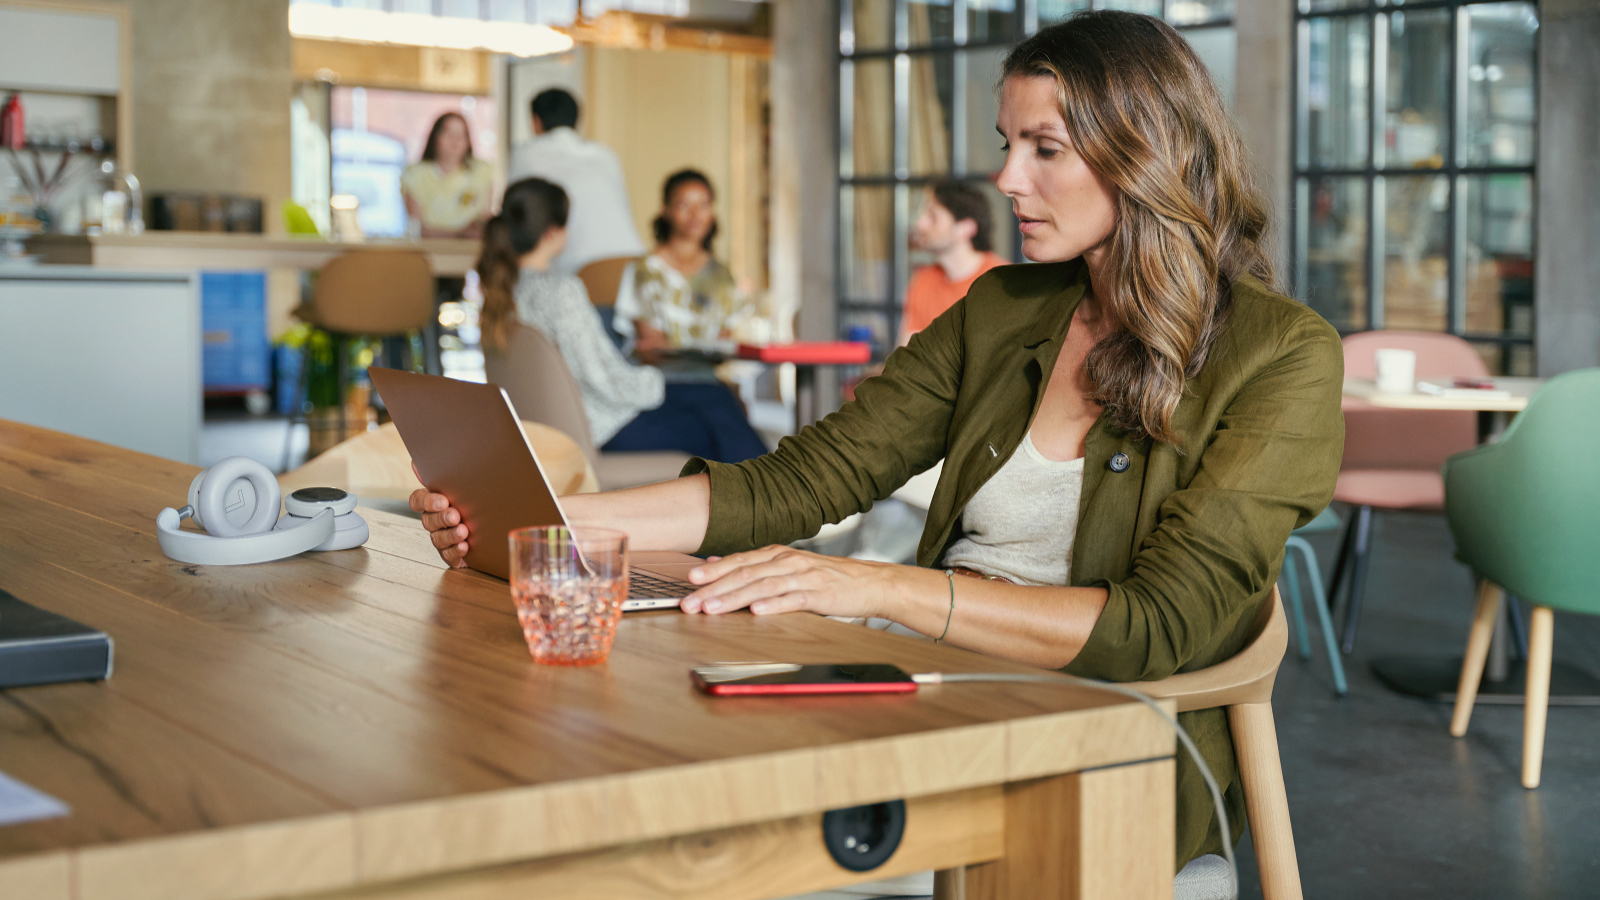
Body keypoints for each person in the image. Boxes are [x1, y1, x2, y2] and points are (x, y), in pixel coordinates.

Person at [414, 11, 1344, 877]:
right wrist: (549, 518)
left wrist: (871, 584)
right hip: (925, 685)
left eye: (1044, 149)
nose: (1009, 180)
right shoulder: (1003, 309)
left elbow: (1156, 629)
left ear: (1146, 154)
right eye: (1008, 146)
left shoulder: (1282, 355)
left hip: (1099, 745)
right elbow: (811, 478)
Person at [477, 177, 767, 464]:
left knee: (711, 403)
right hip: (602, 428)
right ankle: (772, 497)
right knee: (715, 418)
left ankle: (765, 495)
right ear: (554, 231)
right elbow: (599, 376)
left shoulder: (503, 293)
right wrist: (654, 385)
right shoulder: (562, 291)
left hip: (553, 430)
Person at [613, 169, 754, 380]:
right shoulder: (645, 271)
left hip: (707, 383)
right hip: (659, 383)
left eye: (704, 205)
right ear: (666, 210)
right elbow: (651, 349)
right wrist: (700, 351)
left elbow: (724, 343)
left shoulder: (722, 276)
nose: (695, 214)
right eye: (684, 205)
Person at [506, 89, 644, 275]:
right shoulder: (606, 155)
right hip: (634, 264)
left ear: (535, 122)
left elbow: (515, 216)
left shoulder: (526, 154)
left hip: (581, 272)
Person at [897, 180, 1008, 346]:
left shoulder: (1003, 283)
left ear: (965, 228)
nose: (920, 223)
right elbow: (905, 356)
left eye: (933, 217)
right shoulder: (923, 280)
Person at [401, 112, 494, 239]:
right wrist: (458, 234)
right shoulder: (415, 175)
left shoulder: (482, 171)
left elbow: (485, 219)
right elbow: (417, 228)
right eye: (448, 134)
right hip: (427, 252)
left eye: (461, 135)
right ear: (435, 136)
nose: (455, 140)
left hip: (471, 251)